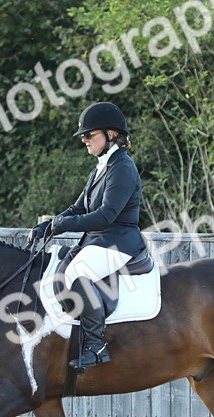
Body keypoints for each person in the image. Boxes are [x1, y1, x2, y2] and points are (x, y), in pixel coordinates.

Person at [28, 102, 147, 370]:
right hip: (99, 241)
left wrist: (64, 225)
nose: (84, 140)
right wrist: (48, 226)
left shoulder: (122, 167)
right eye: (84, 136)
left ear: (111, 134)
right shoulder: (101, 168)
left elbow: (105, 216)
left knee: (76, 273)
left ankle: (96, 344)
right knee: (59, 267)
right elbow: (78, 208)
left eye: (89, 134)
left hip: (118, 242)